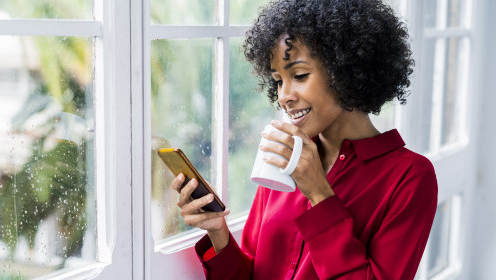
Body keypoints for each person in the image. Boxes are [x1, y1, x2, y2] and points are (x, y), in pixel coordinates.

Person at [170, 0, 438, 279]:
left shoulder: (410, 178)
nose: (284, 96)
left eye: (299, 75)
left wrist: (319, 194)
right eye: (278, 80)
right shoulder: (284, 157)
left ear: (347, 69)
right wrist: (218, 231)